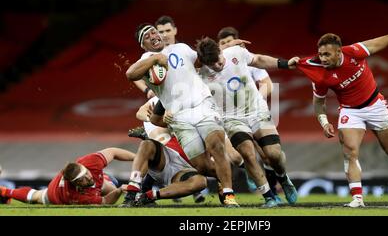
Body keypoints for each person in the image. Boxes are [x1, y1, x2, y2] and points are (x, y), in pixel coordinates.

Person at [295, 27, 388, 207]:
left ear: (339, 51)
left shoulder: (355, 51)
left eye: (327, 54)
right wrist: (324, 123)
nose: (323, 59)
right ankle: (357, 198)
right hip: (350, 111)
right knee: (349, 151)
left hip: (375, 106)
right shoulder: (320, 75)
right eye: (320, 54)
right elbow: (318, 103)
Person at [125, 24, 239, 207]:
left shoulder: (181, 48)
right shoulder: (145, 59)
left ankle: (228, 194)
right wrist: (156, 58)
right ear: (142, 45)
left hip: (203, 104)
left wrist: (224, 49)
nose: (153, 35)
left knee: (216, 144)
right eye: (147, 36)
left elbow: (202, 60)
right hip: (179, 118)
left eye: (154, 31)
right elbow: (131, 74)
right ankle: (224, 179)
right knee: (202, 166)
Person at [196, 37, 299, 205]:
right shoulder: (201, 72)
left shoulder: (236, 53)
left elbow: (258, 59)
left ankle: (283, 177)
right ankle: (269, 197)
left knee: (273, 154)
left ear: (221, 52)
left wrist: (284, 63)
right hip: (232, 119)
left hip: (257, 111)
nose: (217, 66)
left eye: (218, 60)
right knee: (247, 153)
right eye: (212, 64)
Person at [217, 26, 283, 200]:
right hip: (228, 116)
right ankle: (249, 170)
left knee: (268, 156)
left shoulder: (246, 59)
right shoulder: (213, 64)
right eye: (222, 43)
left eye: (229, 42)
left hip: (252, 112)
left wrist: (254, 101)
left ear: (237, 43)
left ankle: (274, 190)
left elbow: (267, 84)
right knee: (237, 155)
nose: (226, 46)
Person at [120, 98, 208, 207]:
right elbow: (140, 112)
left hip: (185, 168)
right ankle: (131, 194)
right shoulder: (163, 97)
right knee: (147, 144)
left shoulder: (202, 102)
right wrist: (152, 118)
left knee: (200, 182)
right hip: (164, 154)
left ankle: (147, 196)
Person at [0, 148, 135, 205]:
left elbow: (114, 152)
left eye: (86, 173)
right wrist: (118, 191)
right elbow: (105, 202)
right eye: (82, 179)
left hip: (91, 183)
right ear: (76, 184)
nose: (88, 177)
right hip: (56, 193)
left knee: (112, 184)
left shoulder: (90, 162)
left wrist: (138, 158)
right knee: (35, 197)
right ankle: (5, 191)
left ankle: (106, 181)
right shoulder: (77, 196)